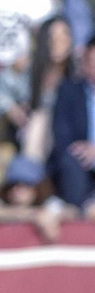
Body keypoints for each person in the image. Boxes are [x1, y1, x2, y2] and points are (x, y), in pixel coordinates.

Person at [50, 38, 95, 213]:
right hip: (81, 159)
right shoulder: (69, 91)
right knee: (70, 161)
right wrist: (85, 151)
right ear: (84, 64)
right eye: (92, 63)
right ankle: (80, 215)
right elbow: (62, 134)